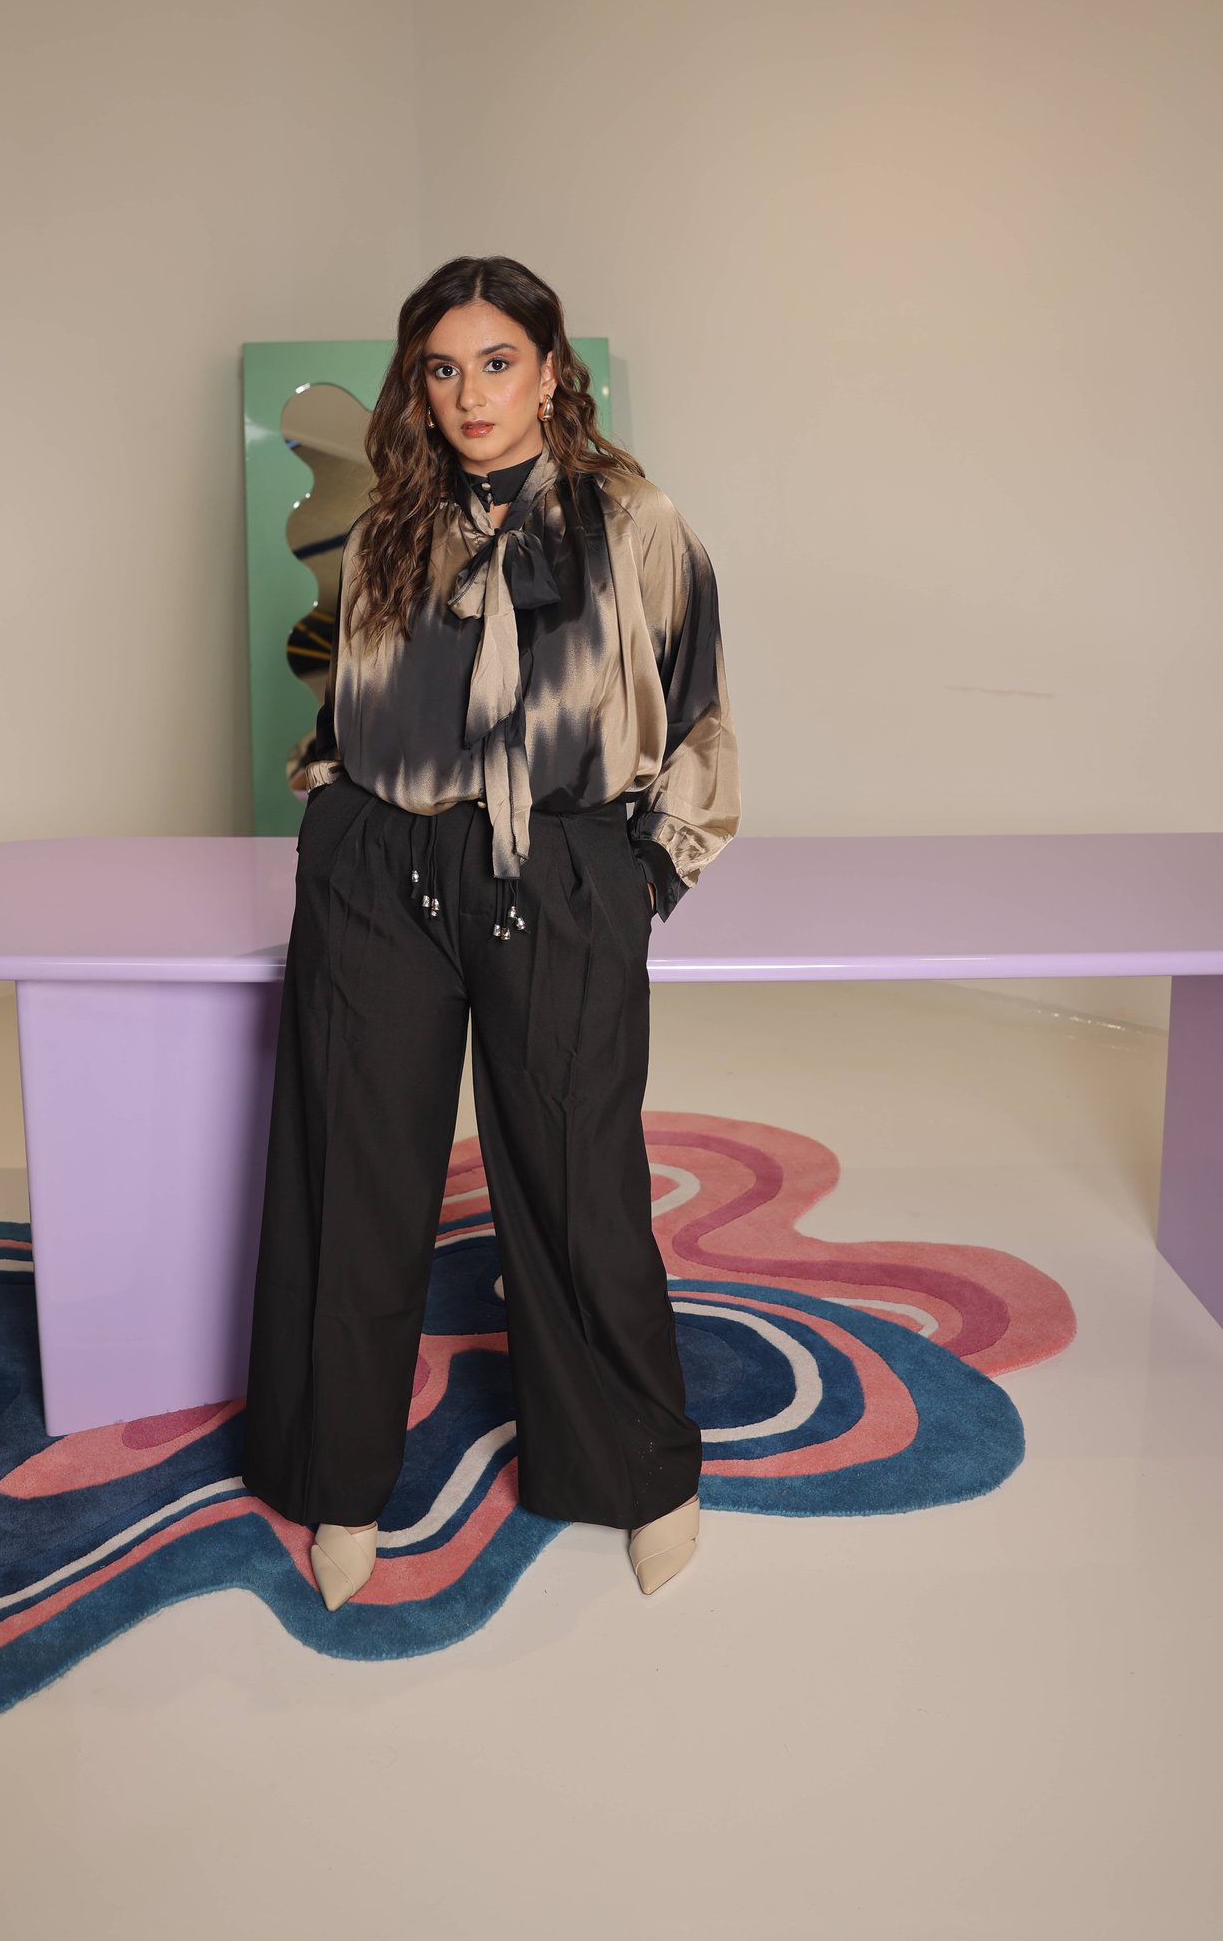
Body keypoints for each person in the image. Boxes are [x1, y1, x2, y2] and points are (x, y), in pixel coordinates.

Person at [241, 255, 740, 1608]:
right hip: (378, 868)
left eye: (498, 363)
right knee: (355, 1175)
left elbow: (697, 710)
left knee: (581, 1182)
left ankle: (639, 1469)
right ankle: (339, 1478)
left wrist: (640, 873)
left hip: (559, 867)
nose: (471, 395)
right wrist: (339, 818)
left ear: (551, 369)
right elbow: (346, 705)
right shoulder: (385, 527)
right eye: (445, 370)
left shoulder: (634, 522)